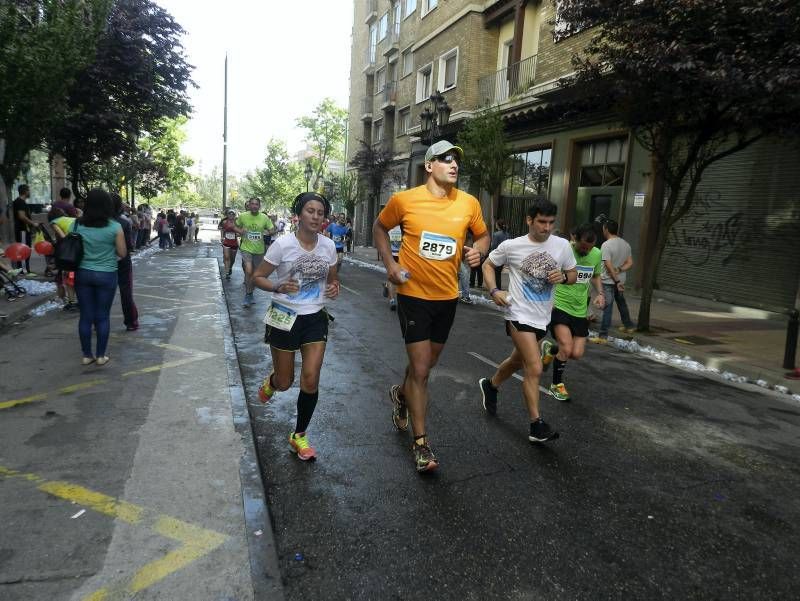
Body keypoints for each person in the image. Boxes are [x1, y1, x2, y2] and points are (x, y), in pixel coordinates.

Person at [373, 140, 489, 473]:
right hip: (413, 294)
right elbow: (380, 227)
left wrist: (478, 250)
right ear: (429, 166)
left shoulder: (468, 203)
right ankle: (421, 444)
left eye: (457, 160)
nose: (454, 164)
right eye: (446, 159)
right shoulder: (404, 200)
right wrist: (390, 264)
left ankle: (401, 394)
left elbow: (482, 235)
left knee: (425, 365)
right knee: (421, 370)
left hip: (446, 297)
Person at [478, 200, 577, 443]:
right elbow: (488, 265)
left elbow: (574, 274)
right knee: (533, 367)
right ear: (529, 220)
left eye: (551, 223)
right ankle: (536, 425)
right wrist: (494, 291)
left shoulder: (562, 246)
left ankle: (491, 385)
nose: (547, 227)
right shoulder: (513, 246)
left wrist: (564, 277)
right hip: (517, 313)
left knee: (516, 361)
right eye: (542, 222)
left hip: (542, 316)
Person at [252, 192, 339, 462]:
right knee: (286, 381)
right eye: (310, 211)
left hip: (314, 317)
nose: (316, 216)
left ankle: (299, 434)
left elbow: (333, 280)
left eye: (320, 212)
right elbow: (257, 277)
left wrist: (334, 288)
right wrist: (277, 285)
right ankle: (272, 381)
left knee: (311, 377)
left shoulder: (328, 246)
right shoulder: (282, 245)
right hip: (284, 318)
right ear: (299, 215)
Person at [547, 223, 605, 401]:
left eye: (590, 248)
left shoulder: (596, 253)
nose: (587, 251)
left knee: (576, 353)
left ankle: (551, 350)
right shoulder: (564, 250)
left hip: (580, 309)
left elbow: (595, 276)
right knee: (566, 347)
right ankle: (556, 385)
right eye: (583, 247)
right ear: (575, 239)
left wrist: (600, 293)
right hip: (560, 305)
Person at [73, 189, 127, 366]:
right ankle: (101, 356)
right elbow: (122, 252)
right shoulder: (114, 227)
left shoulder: (77, 225)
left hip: (83, 273)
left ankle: (86, 355)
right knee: (103, 316)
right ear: (107, 205)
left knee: (86, 316)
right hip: (106, 274)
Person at [597, 219, 636, 339]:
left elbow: (608, 266)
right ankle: (628, 325)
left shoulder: (606, 245)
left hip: (609, 281)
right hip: (621, 280)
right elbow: (630, 263)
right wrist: (619, 271)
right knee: (621, 302)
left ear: (606, 229)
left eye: (603, 228)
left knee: (607, 306)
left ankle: (603, 335)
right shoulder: (625, 244)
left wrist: (616, 280)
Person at [235, 197, 275, 307]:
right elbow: (235, 226)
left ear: (259, 206)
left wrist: (269, 231)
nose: (254, 206)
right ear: (249, 205)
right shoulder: (243, 216)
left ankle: (250, 292)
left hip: (259, 250)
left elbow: (272, 230)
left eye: (256, 204)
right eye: (252, 204)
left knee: (256, 274)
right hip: (246, 248)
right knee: (248, 270)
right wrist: (240, 231)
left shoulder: (264, 217)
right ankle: (248, 295)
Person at [112, 194, 139, 331]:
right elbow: (128, 245)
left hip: (101, 262)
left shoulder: (93, 222)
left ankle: (97, 321)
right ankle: (131, 321)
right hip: (122, 261)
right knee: (126, 292)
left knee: (100, 294)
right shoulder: (123, 222)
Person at [49, 206, 78, 310]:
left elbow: (63, 236)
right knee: (77, 275)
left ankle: (72, 302)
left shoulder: (54, 222)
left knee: (69, 276)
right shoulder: (72, 219)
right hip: (81, 248)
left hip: (71, 251)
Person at [12, 184, 36, 273]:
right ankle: (23, 270)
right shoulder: (20, 202)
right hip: (22, 230)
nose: (30, 192)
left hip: (24, 230)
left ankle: (25, 269)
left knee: (26, 249)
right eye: (29, 190)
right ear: (25, 191)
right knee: (23, 249)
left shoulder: (21, 202)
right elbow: (21, 216)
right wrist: (33, 223)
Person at [384, 224, 402, 311]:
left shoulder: (405, 226)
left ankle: (386, 286)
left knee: (401, 278)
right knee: (392, 277)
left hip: (402, 256)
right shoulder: (388, 227)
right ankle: (392, 300)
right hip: (391, 256)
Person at [218, 209, 239, 280]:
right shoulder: (224, 222)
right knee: (227, 257)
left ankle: (230, 267)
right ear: (227, 215)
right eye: (230, 214)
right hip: (226, 242)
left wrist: (238, 234)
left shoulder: (237, 222)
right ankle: (227, 273)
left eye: (233, 214)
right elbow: (222, 230)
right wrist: (222, 237)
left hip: (234, 242)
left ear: (234, 215)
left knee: (232, 259)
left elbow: (240, 231)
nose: (231, 215)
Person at [489, 218, 509, 290]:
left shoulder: (496, 234)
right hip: (503, 256)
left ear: (498, 225)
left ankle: (495, 288)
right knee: (498, 273)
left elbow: (493, 246)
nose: (495, 225)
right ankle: (498, 287)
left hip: (496, 255)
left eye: (496, 224)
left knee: (494, 273)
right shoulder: (507, 234)